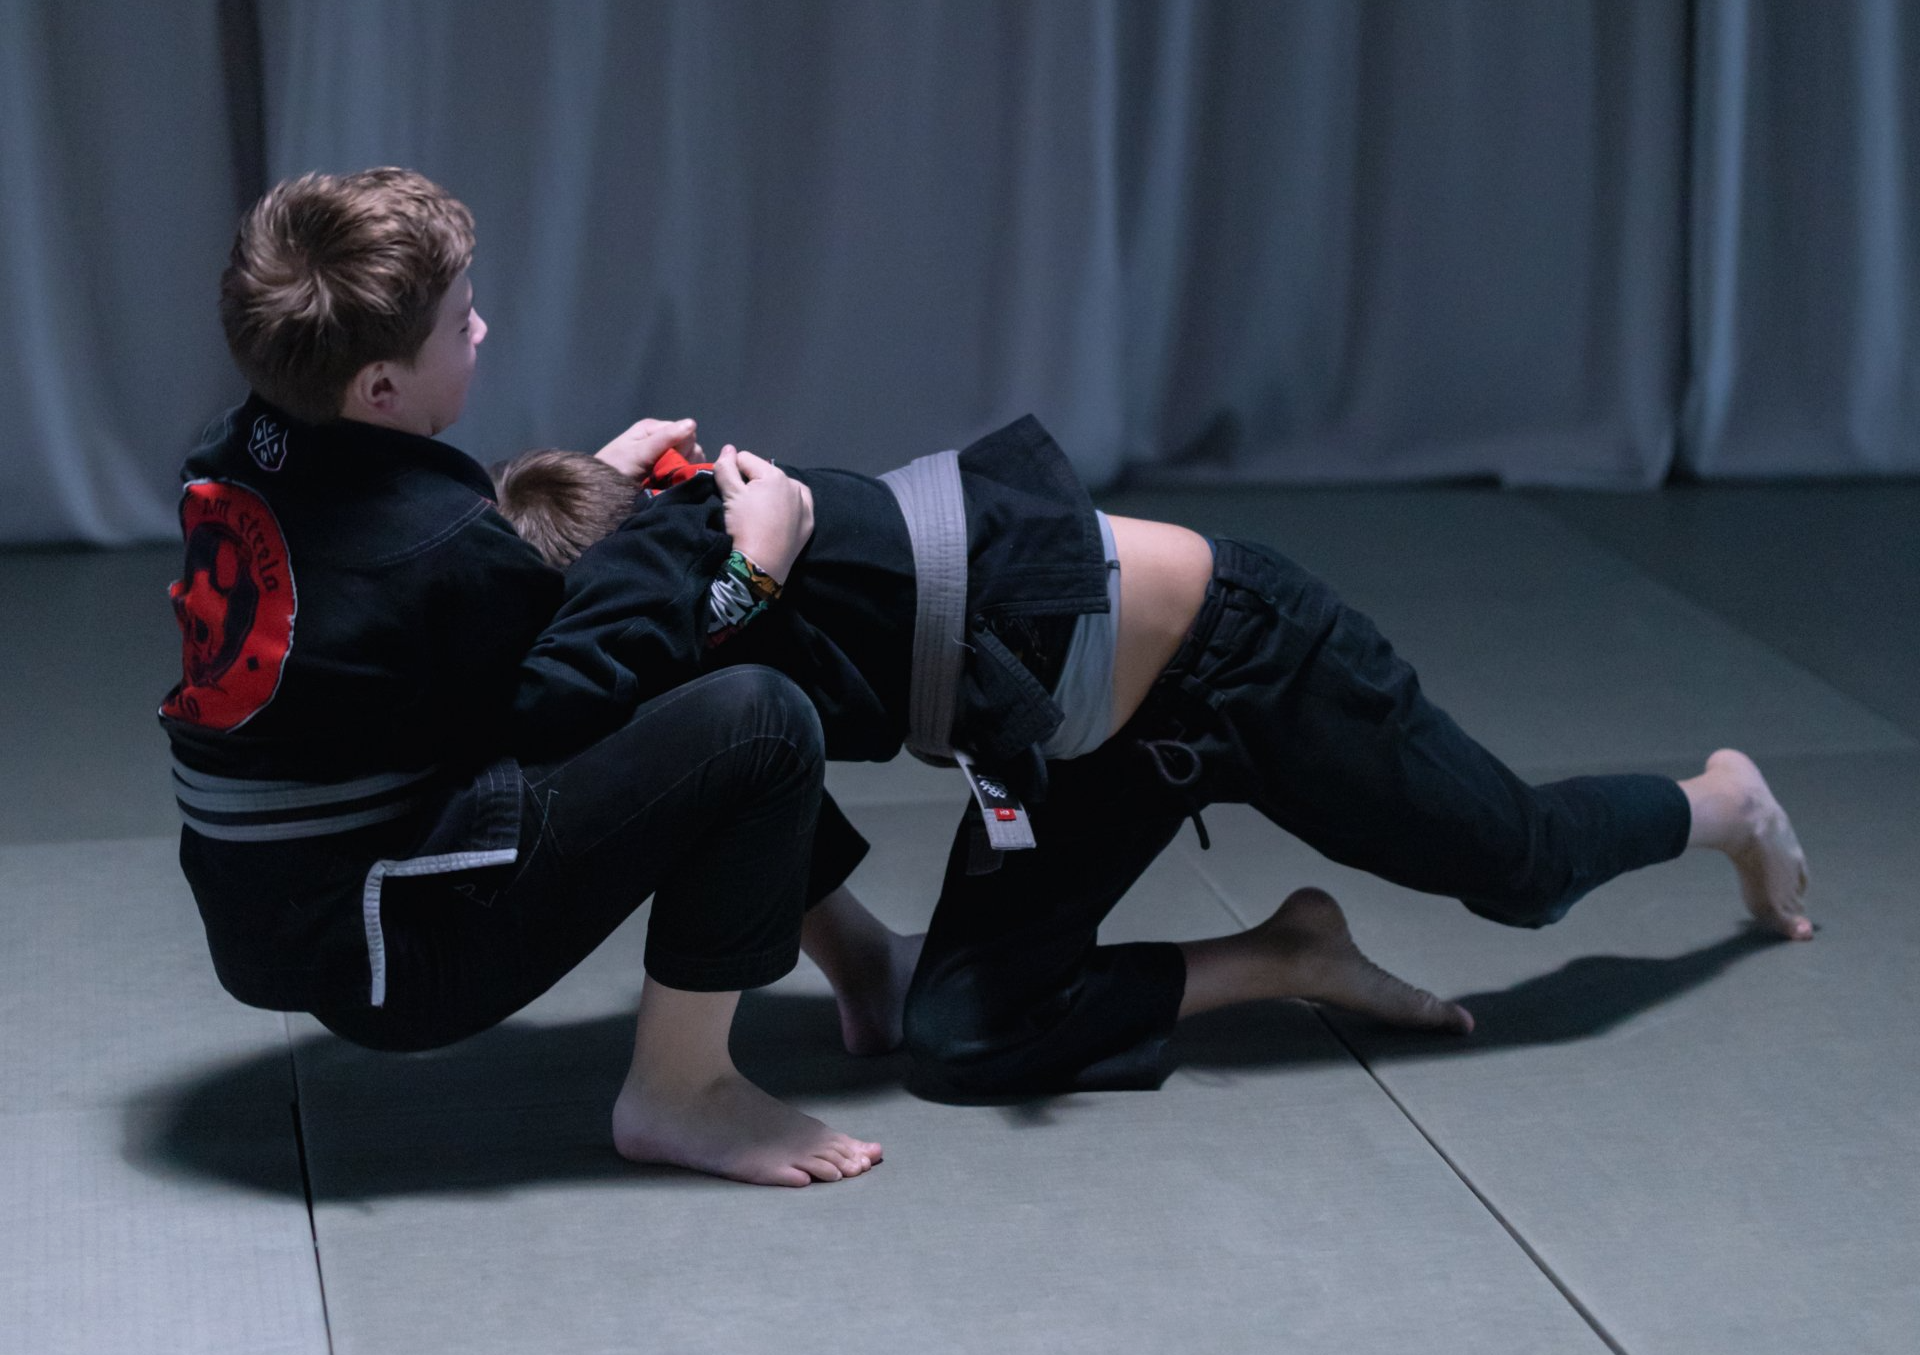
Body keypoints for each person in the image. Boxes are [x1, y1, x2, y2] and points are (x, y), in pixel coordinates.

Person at [486, 430, 1813, 1099]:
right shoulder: (694, 603)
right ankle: (1290, 956)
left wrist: (740, 561)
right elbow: (729, 789)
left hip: (1245, 658)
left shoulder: (734, 551)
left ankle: (1724, 800)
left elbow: (609, 655)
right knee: (956, 1039)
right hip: (1081, 751)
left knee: (1521, 866)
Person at [159, 167, 892, 1187]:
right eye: (461, 325)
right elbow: (564, 695)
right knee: (752, 719)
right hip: (393, 958)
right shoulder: (438, 540)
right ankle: (682, 1091)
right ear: (378, 389)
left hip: (272, 912)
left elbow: (417, 611)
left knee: (658, 671)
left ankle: (863, 960)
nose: (484, 330)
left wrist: (592, 486)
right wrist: (748, 573)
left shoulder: (236, 449)